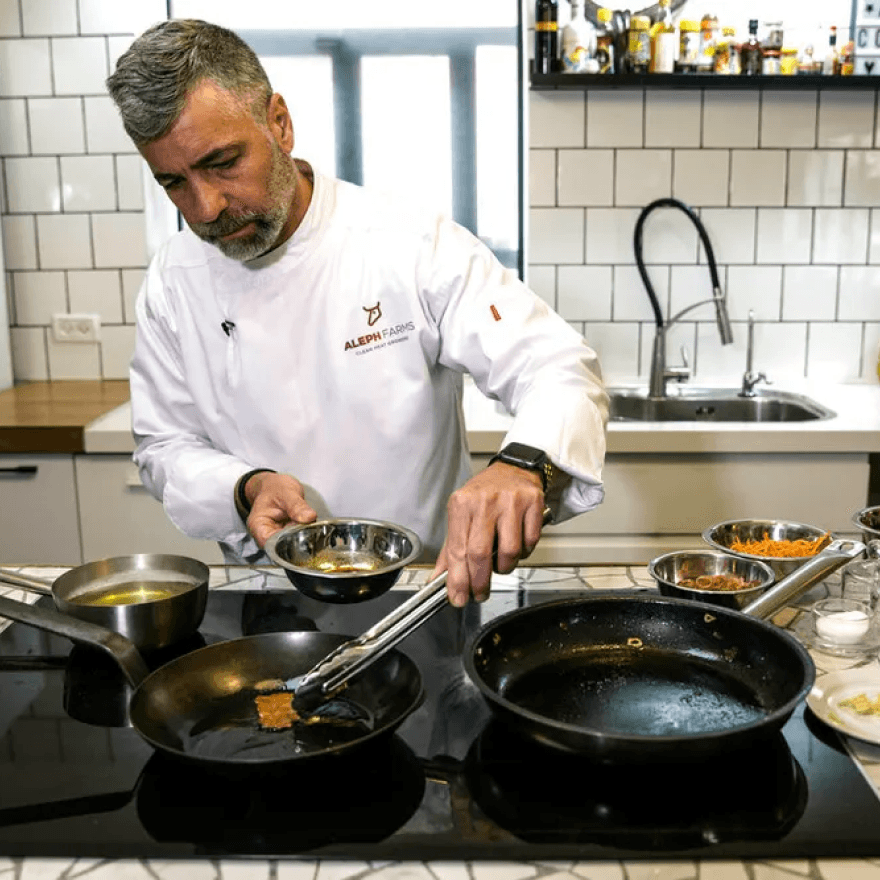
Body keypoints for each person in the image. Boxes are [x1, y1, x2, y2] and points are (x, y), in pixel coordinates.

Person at [106, 19, 609, 607]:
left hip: (423, 597)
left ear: (279, 122)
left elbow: (556, 367)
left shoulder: (408, 243)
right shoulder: (174, 279)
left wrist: (521, 466)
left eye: (222, 163)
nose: (206, 206)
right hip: (266, 596)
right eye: (174, 182)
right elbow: (164, 447)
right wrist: (245, 489)